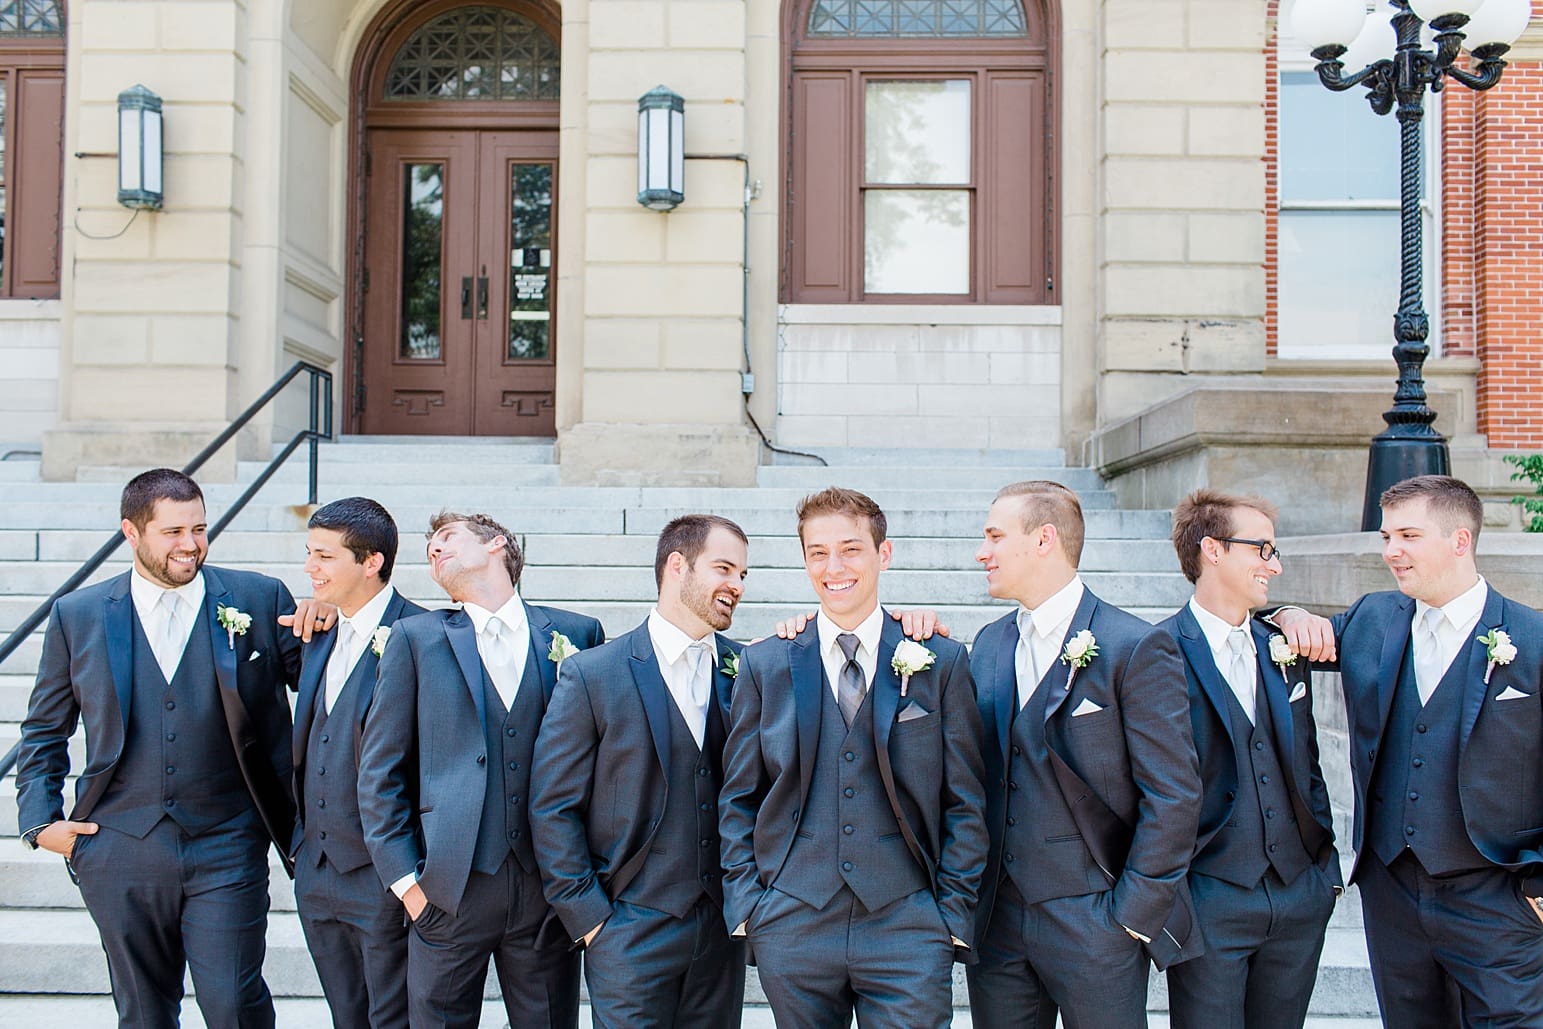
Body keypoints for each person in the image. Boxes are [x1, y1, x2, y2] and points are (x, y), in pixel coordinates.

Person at [15, 468, 302, 1029]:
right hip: (118, 843)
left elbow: (323, 691)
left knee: (234, 1003)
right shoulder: (79, 615)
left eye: (198, 528)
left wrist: (338, 619)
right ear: (132, 531)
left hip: (227, 840)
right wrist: (38, 821)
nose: (190, 544)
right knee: (144, 1011)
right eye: (172, 532)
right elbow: (45, 730)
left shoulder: (256, 598)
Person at [1272, 475, 1543, 1027]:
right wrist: (1288, 614)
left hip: (1499, 895)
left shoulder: (1532, 638)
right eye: (1386, 536)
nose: (1391, 551)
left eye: (1408, 536)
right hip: (1392, 890)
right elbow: (1292, 634)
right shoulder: (1373, 618)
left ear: (1460, 541)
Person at [719, 487, 987, 1029]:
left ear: (882, 555)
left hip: (907, 927)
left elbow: (965, 799)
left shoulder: (940, 660)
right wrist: (751, 908)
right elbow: (738, 796)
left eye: (850, 549)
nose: (833, 567)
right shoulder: (765, 663)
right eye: (818, 552)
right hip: (792, 924)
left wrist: (949, 917)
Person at [967, 480, 1201, 1029]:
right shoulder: (987, 644)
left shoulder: (1132, 646)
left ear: (1044, 539)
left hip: (1098, 923)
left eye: (995, 536)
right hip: (998, 924)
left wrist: (1128, 920)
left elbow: (1174, 795)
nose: (983, 551)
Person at [357, 510, 604, 1029]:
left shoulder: (577, 634)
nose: (433, 551)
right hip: (448, 891)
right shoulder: (414, 639)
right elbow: (380, 771)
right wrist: (411, 886)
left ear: (497, 544)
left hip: (547, 890)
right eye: (429, 549)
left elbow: (603, 767)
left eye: (447, 538)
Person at [531, 515, 750, 1027]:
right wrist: (590, 921)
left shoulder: (748, 668)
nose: (736, 586)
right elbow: (552, 806)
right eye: (724, 568)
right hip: (625, 932)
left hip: (720, 933)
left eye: (743, 574)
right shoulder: (594, 673)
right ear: (678, 566)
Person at [1159, 490, 1339, 1029]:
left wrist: (1321, 877)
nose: (1275, 565)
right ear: (1212, 550)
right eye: (1263, 550)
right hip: (1209, 900)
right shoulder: (1157, 650)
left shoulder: (1283, 644)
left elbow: (1306, 763)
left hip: (1298, 895)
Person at [290, 497, 426, 1029]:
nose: (309, 569)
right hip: (317, 872)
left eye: (324, 557)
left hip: (386, 875)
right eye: (309, 553)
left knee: (396, 1018)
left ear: (371, 562)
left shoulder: (426, 633)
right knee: (346, 1016)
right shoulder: (317, 632)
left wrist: (410, 874)